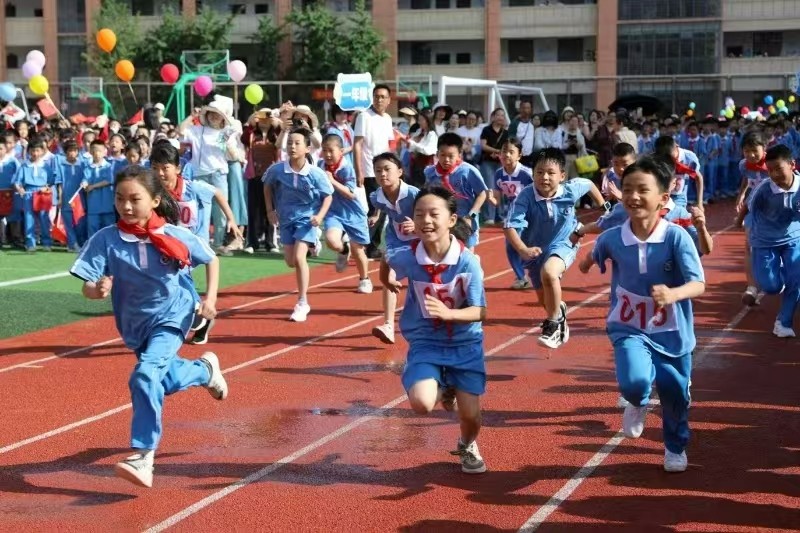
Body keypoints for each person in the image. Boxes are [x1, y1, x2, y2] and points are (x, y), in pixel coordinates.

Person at [70, 166, 228, 488]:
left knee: (144, 375)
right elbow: (87, 284)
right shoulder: (106, 240)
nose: (126, 206)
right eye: (119, 199)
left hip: (173, 316)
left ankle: (144, 454)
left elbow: (211, 258)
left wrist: (209, 299)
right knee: (162, 378)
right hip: (134, 325)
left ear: (155, 200)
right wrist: (95, 290)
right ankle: (204, 371)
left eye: (134, 199)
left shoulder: (173, 235)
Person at [578, 156, 706, 473]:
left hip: (673, 332)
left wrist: (673, 293)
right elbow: (595, 253)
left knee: (676, 395)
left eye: (642, 190)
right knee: (634, 382)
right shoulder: (612, 237)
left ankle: (675, 447)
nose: (633, 197)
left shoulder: (676, 237)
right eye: (628, 189)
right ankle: (637, 401)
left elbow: (699, 284)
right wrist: (586, 261)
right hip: (628, 325)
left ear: (664, 197)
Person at [381, 186, 487, 474]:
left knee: (471, 417)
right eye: (419, 215)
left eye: (433, 214)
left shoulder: (468, 263)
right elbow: (387, 258)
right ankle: (440, 382)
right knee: (422, 403)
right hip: (426, 342)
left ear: (451, 220)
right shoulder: (408, 256)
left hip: (465, 344)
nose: (425, 220)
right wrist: (387, 279)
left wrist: (450, 313)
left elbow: (480, 311)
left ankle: (467, 444)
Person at [504, 148, 604, 349]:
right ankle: (558, 314)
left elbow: (589, 184)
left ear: (562, 176)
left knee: (549, 273)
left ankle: (554, 324)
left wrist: (603, 204)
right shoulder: (525, 197)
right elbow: (510, 227)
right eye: (539, 172)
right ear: (533, 174)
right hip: (534, 251)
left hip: (565, 242)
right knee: (546, 301)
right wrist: (523, 250)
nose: (545, 177)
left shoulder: (570, 189)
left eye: (550, 172)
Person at [150, 140, 243, 344]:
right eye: (155, 168)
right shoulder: (155, 195)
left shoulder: (195, 188)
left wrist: (231, 219)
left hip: (195, 247)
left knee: (174, 282)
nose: (160, 174)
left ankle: (198, 310)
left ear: (178, 168)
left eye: (165, 168)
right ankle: (200, 317)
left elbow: (217, 193)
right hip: (174, 249)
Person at [263, 128, 334, 322]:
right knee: (290, 261)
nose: (292, 147)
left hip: (307, 220)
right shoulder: (277, 170)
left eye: (297, 143)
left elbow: (328, 196)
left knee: (300, 257)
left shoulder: (316, 173)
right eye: (289, 143)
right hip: (286, 219)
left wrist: (319, 216)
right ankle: (314, 245)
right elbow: (267, 186)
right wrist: (270, 210)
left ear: (307, 148)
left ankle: (302, 302)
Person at [735, 144, 800, 338]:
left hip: (794, 239)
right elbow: (748, 206)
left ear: (792, 165)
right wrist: (740, 223)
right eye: (770, 171)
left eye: (778, 169)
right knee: (771, 287)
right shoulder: (764, 189)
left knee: (797, 280)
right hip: (765, 240)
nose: (774, 175)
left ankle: (783, 322)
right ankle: (779, 271)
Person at [370, 152, 420, 345]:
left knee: (421, 278)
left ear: (399, 171)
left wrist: (416, 226)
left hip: (419, 238)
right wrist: (376, 216)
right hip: (395, 237)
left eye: (387, 169)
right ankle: (389, 325)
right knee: (388, 275)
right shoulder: (376, 196)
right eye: (378, 170)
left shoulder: (415, 194)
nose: (382, 174)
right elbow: (380, 205)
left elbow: (432, 215)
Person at [318, 134, 372, 293]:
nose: (327, 154)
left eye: (331, 150)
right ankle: (343, 250)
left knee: (358, 249)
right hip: (333, 212)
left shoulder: (347, 168)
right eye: (324, 150)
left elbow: (350, 193)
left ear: (341, 151)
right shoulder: (320, 165)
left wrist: (332, 180)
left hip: (353, 213)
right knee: (331, 241)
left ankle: (364, 279)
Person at [424, 133, 488, 252]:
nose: (446, 160)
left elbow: (482, 194)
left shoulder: (468, 171)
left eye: (451, 156)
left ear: (459, 155)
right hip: (442, 220)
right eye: (442, 155)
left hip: (465, 220)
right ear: (437, 154)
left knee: (466, 255)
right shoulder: (430, 173)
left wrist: (471, 216)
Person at [353, 84, 394, 259]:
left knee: (383, 209)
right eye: (376, 96)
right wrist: (359, 170)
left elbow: (389, 145)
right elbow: (357, 144)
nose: (379, 99)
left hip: (386, 170)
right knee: (374, 209)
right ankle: (364, 245)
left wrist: (394, 167)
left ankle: (372, 246)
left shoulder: (387, 119)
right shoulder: (364, 116)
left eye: (383, 97)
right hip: (370, 171)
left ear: (389, 100)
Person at [491, 137, 533, 289]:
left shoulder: (527, 174)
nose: (507, 155)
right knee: (511, 245)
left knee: (524, 243)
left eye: (511, 152)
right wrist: (491, 199)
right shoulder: (498, 174)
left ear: (519, 155)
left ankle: (533, 272)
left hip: (528, 212)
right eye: (504, 152)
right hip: (512, 215)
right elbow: (496, 199)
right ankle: (521, 277)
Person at [735, 132, 769, 306]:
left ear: (765, 148)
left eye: (754, 151)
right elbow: (746, 179)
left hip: (773, 212)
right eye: (746, 151)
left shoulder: (773, 164)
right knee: (749, 246)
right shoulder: (744, 165)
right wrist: (741, 195)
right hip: (752, 209)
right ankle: (752, 287)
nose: (751, 155)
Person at [12, 136, 54, 252]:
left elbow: (51, 181)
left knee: (44, 218)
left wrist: (46, 188)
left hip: (42, 194)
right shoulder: (24, 166)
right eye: (33, 150)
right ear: (29, 151)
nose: (35, 153)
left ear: (42, 151)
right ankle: (30, 243)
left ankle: (46, 242)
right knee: (28, 218)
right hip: (28, 194)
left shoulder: (45, 166)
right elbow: (17, 182)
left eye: (38, 150)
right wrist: (20, 189)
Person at [654, 135, 704, 210]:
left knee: (676, 216)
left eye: (671, 157)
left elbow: (698, 178)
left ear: (677, 146)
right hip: (661, 193)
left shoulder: (689, 158)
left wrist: (699, 203)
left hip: (679, 195)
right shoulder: (656, 158)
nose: (670, 161)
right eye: (665, 159)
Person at [54, 140, 87, 251]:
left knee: (79, 222)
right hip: (66, 197)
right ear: (65, 152)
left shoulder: (82, 164)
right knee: (68, 222)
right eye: (69, 151)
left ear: (78, 152)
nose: (72, 153)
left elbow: (86, 179)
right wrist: (59, 197)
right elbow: (59, 183)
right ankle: (72, 244)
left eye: (74, 151)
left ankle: (79, 242)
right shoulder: (62, 166)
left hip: (79, 198)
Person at [82, 139, 116, 238]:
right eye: (94, 151)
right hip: (93, 205)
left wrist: (93, 186)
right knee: (92, 227)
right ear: (91, 152)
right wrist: (84, 184)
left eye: (99, 151)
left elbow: (108, 181)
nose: (96, 153)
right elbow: (85, 179)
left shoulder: (109, 166)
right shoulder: (88, 167)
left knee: (109, 228)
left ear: (105, 151)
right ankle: (93, 248)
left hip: (107, 203)